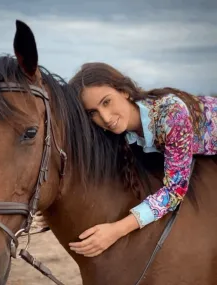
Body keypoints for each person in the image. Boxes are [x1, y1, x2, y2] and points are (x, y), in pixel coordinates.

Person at [34, 62, 217, 257]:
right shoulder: (119, 133)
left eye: (106, 102)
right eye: (93, 112)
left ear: (125, 92)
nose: (104, 117)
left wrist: (116, 230)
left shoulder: (171, 115)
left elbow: (174, 192)